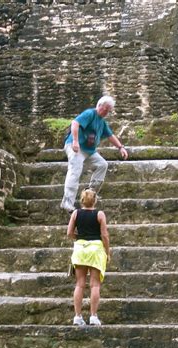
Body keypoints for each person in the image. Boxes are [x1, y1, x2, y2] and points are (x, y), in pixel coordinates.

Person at [60, 95, 128, 212]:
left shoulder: (102, 122)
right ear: (99, 106)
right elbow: (75, 123)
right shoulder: (90, 114)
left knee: (102, 165)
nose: (106, 112)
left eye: (109, 111)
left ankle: (90, 194)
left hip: (89, 151)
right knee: (75, 171)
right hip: (75, 147)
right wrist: (75, 141)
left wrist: (120, 147)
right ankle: (67, 202)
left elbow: (110, 135)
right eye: (105, 109)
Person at [67, 188, 110, 326]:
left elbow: (69, 233)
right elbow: (104, 235)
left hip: (80, 249)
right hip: (95, 249)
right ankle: (93, 316)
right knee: (95, 285)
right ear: (95, 200)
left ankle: (78, 316)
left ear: (82, 200)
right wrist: (107, 251)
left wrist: (79, 239)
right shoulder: (100, 214)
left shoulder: (75, 213)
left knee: (80, 284)